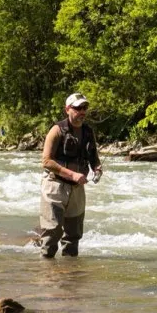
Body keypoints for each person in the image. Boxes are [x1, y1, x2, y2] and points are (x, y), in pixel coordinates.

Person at [39, 92, 102, 258]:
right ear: (68, 109)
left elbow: (94, 158)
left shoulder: (88, 132)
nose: (82, 111)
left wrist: (97, 168)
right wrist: (72, 174)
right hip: (55, 186)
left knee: (73, 236)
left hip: (77, 189)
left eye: (85, 108)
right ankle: (47, 276)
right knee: (51, 234)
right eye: (78, 108)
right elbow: (46, 161)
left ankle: (70, 277)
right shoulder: (56, 130)